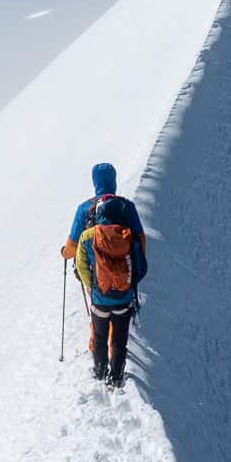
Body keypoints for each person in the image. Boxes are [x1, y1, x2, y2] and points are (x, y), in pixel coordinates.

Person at [61, 162, 147, 387]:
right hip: (125, 287)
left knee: (99, 330)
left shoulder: (85, 209)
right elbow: (141, 243)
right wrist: (131, 275)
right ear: (114, 181)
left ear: (95, 182)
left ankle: (99, 370)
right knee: (119, 337)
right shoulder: (127, 208)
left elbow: (72, 248)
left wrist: (68, 257)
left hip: (98, 285)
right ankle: (116, 378)